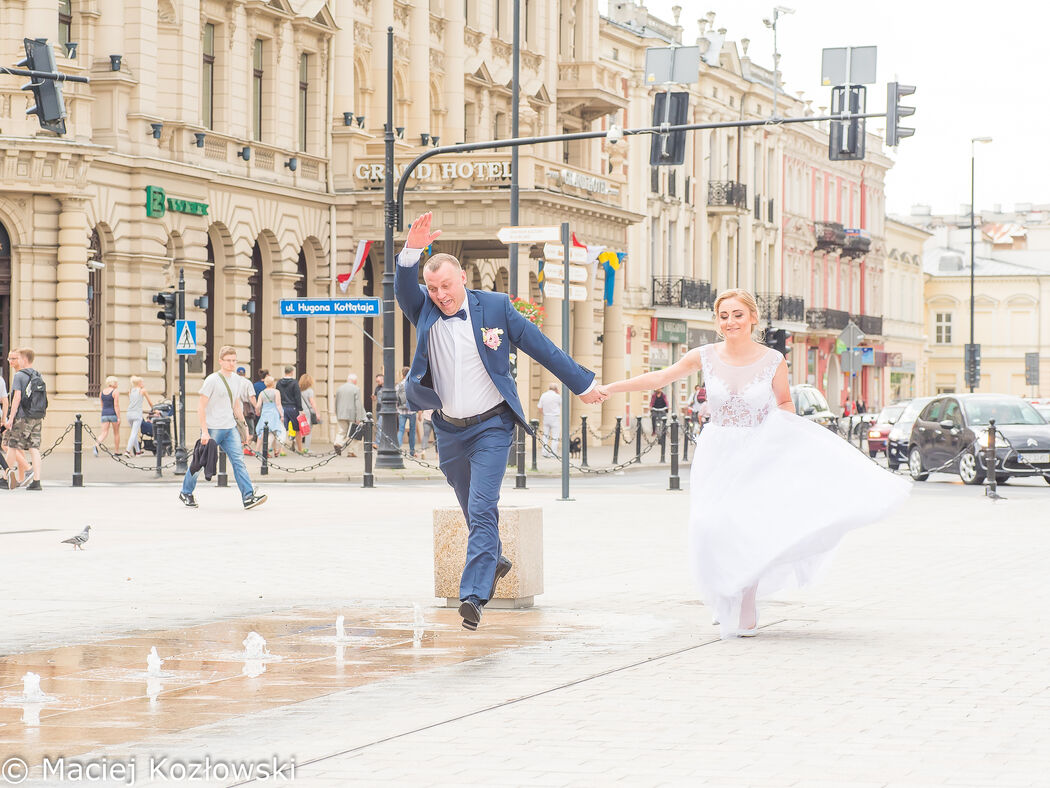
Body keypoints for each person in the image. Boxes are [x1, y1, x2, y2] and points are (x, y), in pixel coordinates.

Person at [596, 289, 910, 639]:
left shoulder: (773, 360)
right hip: (716, 450)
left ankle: (746, 599)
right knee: (709, 524)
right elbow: (658, 378)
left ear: (752, 319)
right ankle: (722, 592)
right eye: (724, 316)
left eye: (737, 315)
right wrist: (609, 388)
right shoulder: (704, 356)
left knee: (746, 526)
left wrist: (781, 438)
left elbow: (786, 402)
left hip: (758, 449)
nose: (730, 322)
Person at [395, 212, 603, 631]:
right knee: (467, 502)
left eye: (446, 287)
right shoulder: (425, 310)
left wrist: (582, 385)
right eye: (432, 289)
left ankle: (473, 595)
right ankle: (495, 558)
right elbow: (403, 287)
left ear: (463, 280)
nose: (440, 295)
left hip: (491, 426)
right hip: (449, 428)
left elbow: (542, 348)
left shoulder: (495, 307)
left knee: (482, 506)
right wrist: (411, 251)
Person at [179, 345, 266, 510]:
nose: (232, 363)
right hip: (212, 429)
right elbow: (201, 407)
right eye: (228, 360)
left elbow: (236, 406)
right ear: (221, 361)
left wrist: (244, 427)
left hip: (230, 428)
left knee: (239, 461)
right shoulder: (212, 380)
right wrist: (204, 431)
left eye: (234, 360)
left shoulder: (238, 381)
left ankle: (248, 496)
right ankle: (186, 491)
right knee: (200, 462)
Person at [5, 347, 46, 490]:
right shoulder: (37, 375)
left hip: (22, 417)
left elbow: (16, 398)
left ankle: (6, 478)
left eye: (18, 358)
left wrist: (10, 418)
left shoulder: (19, 376)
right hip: (36, 416)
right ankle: (36, 481)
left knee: (12, 445)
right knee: (34, 448)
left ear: (24, 359)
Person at [334, 372, 364, 456]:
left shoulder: (340, 388)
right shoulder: (356, 389)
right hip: (352, 415)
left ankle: (338, 443)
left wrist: (337, 412)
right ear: (354, 381)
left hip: (341, 413)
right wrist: (358, 417)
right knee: (353, 433)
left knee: (341, 431)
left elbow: (336, 402)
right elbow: (358, 404)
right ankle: (351, 451)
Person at [254, 375, 284, 458]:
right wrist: (282, 415)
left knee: (262, 432)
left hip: (264, 413)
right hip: (273, 413)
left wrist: (258, 412)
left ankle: (257, 450)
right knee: (273, 432)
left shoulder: (262, 393)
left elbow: (258, 405)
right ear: (273, 383)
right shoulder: (276, 392)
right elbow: (278, 405)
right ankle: (267, 450)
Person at [275, 366, 303, 454]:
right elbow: (297, 396)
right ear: (292, 372)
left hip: (282, 407)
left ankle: (282, 450)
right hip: (293, 407)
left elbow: (277, 394)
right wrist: (300, 409)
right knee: (297, 429)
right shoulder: (295, 383)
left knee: (283, 429)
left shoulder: (279, 382)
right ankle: (300, 448)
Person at [124, 376, 154, 456]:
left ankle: (138, 452)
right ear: (139, 383)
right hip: (137, 414)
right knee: (134, 433)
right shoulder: (142, 390)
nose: (143, 384)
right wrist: (155, 410)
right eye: (142, 382)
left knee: (134, 433)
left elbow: (133, 403)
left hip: (129, 413)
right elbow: (150, 402)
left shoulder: (130, 390)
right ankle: (127, 451)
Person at [93, 376, 121, 455]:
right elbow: (116, 405)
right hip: (113, 414)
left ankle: (96, 445)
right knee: (116, 433)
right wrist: (118, 417)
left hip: (104, 414)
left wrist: (105, 412)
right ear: (113, 383)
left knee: (104, 433)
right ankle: (116, 451)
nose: (117, 384)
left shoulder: (101, 392)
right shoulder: (115, 392)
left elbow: (102, 405)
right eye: (116, 382)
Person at [395, 366, 417, 457]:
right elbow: (416, 397)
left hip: (401, 411)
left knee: (401, 430)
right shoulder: (413, 384)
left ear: (402, 374)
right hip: (412, 411)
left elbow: (396, 398)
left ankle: (398, 449)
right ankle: (412, 451)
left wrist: (397, 409)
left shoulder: (399, 385)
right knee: (412, 431)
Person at [536, 383, 562, 457]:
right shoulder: (557, 396)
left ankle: (544, 452)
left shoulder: (544, 395)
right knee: (555, 436)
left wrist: (544, 413)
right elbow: (561, 404)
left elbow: (539, 407)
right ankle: (553, 453)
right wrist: (558, 393)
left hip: (546, 417)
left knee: (545, 436)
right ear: (556, 389)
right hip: (555, 417)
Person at [298, 373, 319, 452]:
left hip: (300, 411)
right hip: (308, 412)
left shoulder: (299, 391)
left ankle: (294, 440)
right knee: (308, 430)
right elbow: (312, 402)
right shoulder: (310, 391)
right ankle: (307, 448)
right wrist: (317, 413)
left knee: (300, 429)